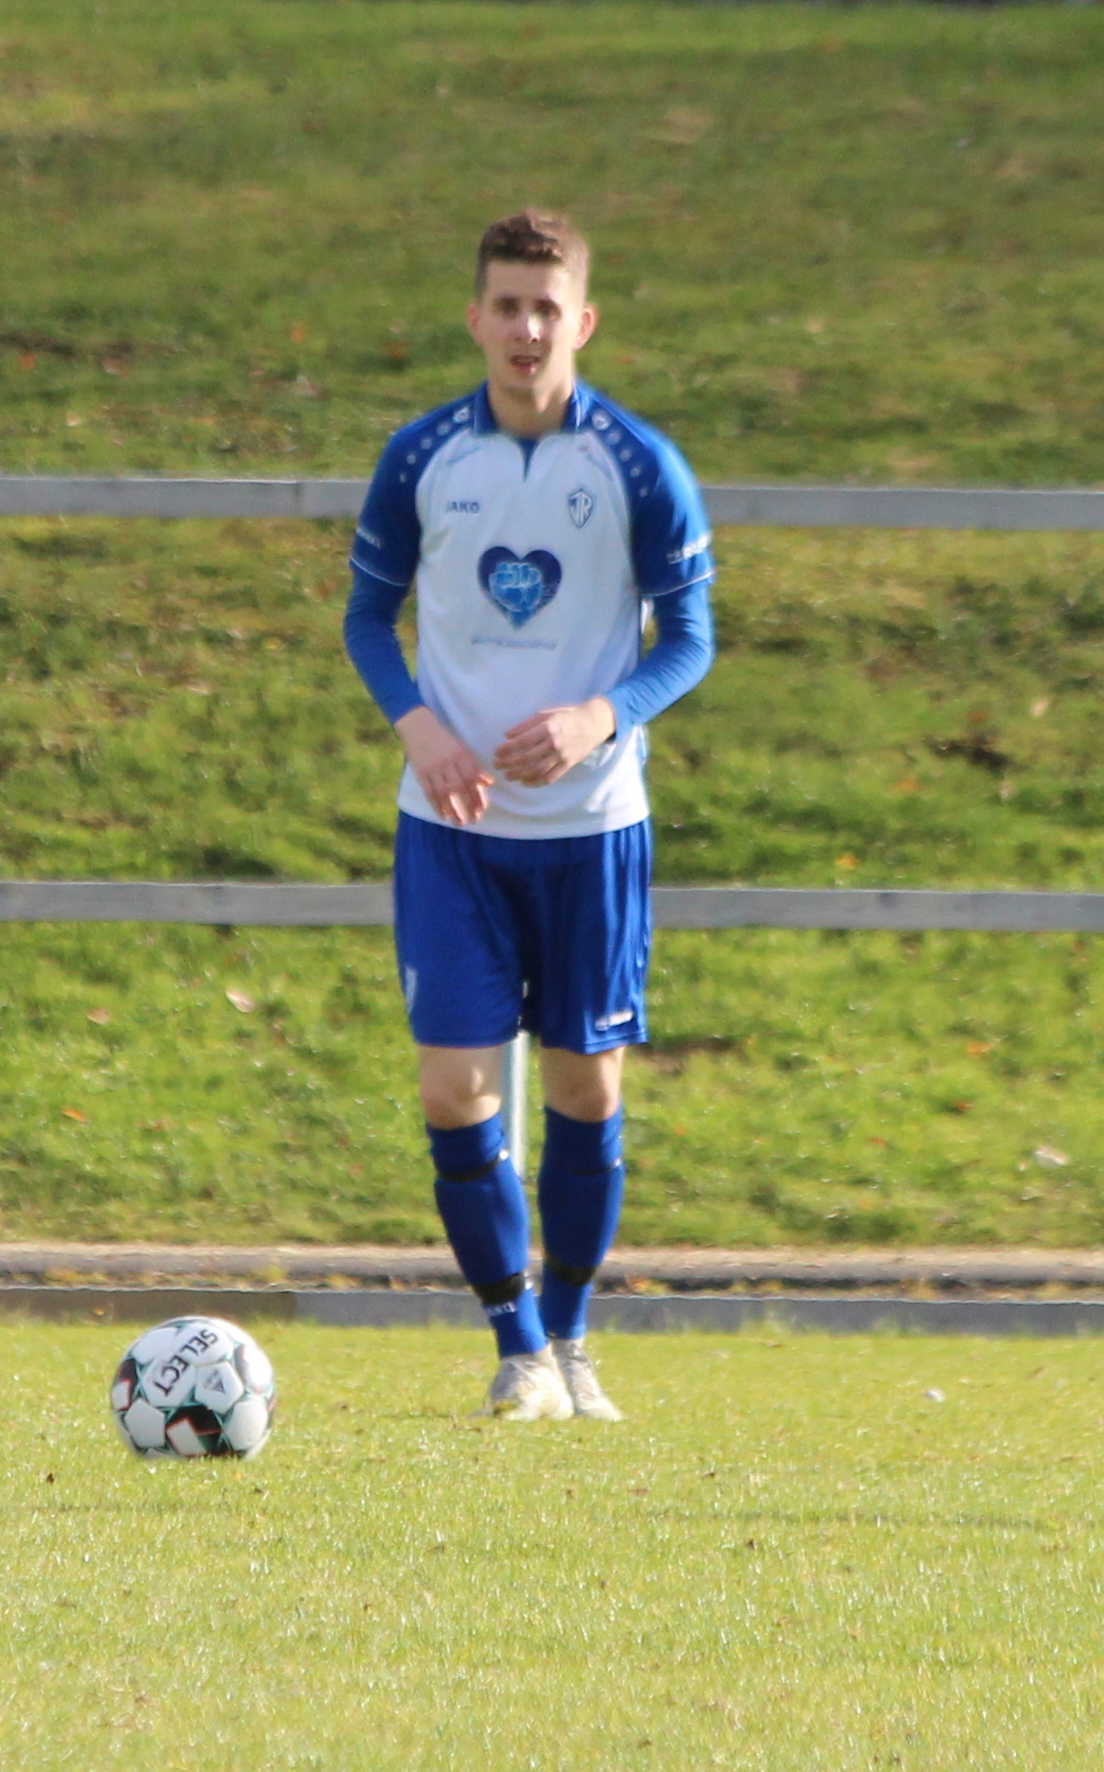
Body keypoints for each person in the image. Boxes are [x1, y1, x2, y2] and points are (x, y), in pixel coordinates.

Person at [342, 210, 715, 1422]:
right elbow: (366, 618)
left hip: (591, 830)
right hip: (451, 830)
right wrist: (420, 726)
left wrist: (602, 714)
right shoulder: (420, 457)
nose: (526, 327)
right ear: (475, 317)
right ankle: (518, 1348)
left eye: (547, 307)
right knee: (454, 1088)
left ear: (583, 321)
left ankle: (574, 1335)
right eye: (506, 304)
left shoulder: (640, 465)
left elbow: (691, 638)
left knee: (584, 1089)